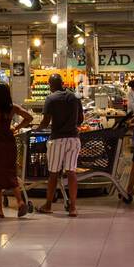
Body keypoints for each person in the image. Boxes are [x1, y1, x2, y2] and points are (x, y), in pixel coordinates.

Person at [35, 73, 83, 216]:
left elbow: (45, 121)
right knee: (71, 172)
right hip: (74, 139)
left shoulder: (51, 98)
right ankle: (73, 207)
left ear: (50, 85)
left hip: (57, 140)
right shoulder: (74, 96)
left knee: (54, 174)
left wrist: (36, 129)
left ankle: (48, 205)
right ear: (63, 83)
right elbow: (80, 119)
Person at [0, 82, 32, 218]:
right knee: (10, 172)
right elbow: (29, 117)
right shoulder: (13, 108)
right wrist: (16, 128)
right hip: (10, 143)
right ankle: (20, 202)